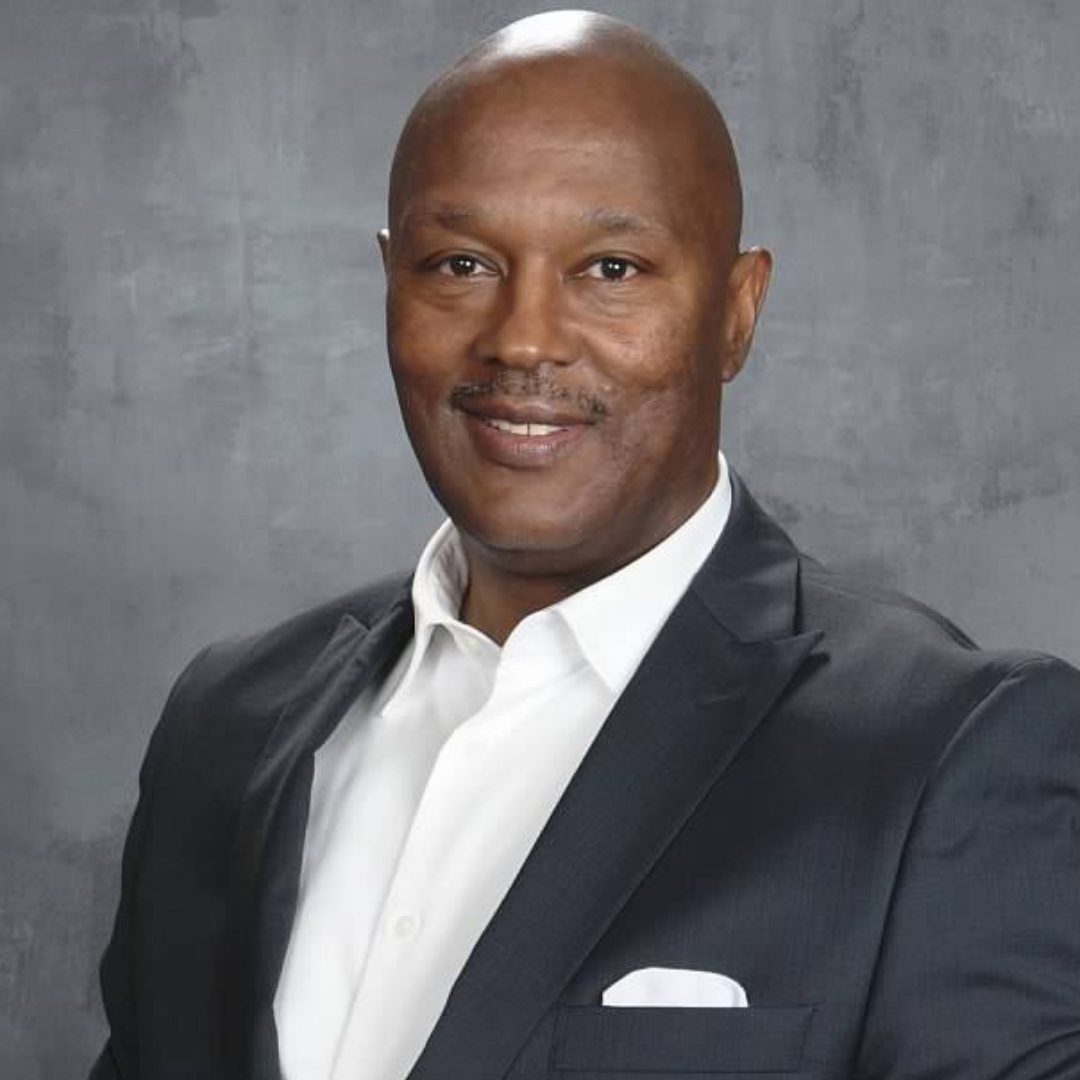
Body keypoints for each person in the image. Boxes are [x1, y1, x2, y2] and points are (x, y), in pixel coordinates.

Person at [90, 11, 1080, 1080]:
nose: (523, 338)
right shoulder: (228, 729)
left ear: (737, 312)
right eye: (460, 263)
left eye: (612, 268)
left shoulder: (948, 753)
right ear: (390, 282)